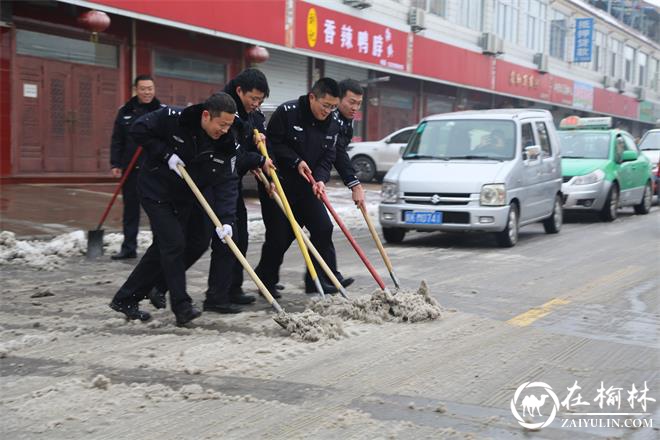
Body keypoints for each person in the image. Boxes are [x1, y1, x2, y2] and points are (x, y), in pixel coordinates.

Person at [145, 69, 274, 314]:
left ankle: (231, 288)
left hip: (230, 182)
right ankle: (213, 295)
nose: (256, 104)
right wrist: (255, 159)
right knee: (221, 239)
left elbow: (245, 149)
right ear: (239, 91)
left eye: (260, 100)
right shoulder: (224, 112)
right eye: (253, 99)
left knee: (240, 237)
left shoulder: (251, 115)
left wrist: (259, 155)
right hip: (214, 182)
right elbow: (234, 155)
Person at [109, 93, 239, 326]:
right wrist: (166, 154)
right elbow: (138, 129)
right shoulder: (174, 118)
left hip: (185, 197)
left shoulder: (226, 144)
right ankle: (182, 307)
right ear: (207, 116)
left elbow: (227, 183)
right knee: (173, 243)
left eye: (229, 125)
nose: (225, 130)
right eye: (222, 125)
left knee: (190, 242)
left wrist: (227, 219)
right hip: (155, 190)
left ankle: (127, 297)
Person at [254, 78, 342, 297]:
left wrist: (321, 178)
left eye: (333, 107)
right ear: (312, 97)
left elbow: (328, 156)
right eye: (325, 105)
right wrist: (295, 161)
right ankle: (266, 280)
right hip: (279, 183)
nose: (328, 111)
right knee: (279, 237)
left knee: (323, 228)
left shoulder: (333, 122)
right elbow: (272, 145)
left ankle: (316, 279)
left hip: (307, 186)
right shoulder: (288, 112)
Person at [109, 75, 162, 260]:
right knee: (130, 210)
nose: (147, 92)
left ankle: (159, 247)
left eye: (150, 88)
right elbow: (117, 140)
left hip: (155, 171)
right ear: (136, 90)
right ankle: (128, 248)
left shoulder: (161, 112)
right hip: (131, 170)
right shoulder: (125, 112)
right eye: (143, 88)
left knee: (157, 210)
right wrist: (115, 163)